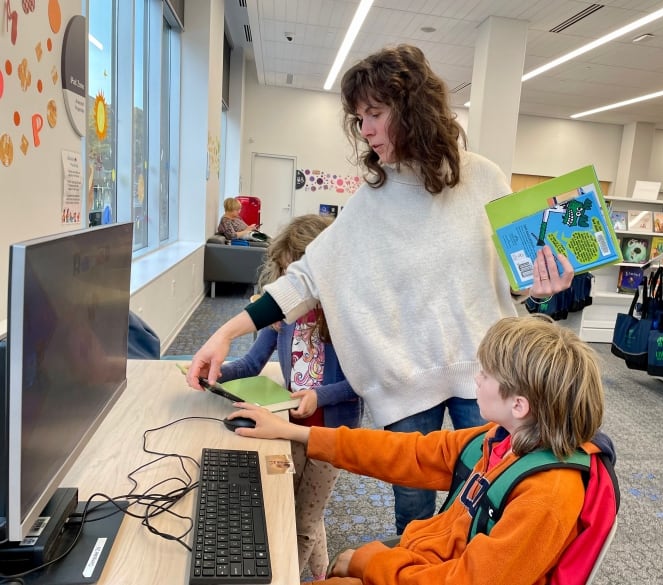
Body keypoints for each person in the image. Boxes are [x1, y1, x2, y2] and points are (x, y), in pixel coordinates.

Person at [187, 44, 574, 533]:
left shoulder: (484, 178)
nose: (365, 130)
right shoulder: (373, 200)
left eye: (375, 113)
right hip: (407, 383)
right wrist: (226, 332)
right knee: (412, 513)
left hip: (485, 375)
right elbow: (307, 278)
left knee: (477, 504)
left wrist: (542, 288)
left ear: (413, 110)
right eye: (359, 117)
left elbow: (512, 283)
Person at [223, 314, 606, 584]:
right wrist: (296, 433)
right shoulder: (499, 440)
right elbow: (404, 452)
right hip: (424, 560)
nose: (476, 377)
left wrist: (371, 563)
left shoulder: (548, 495)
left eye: (487, 373)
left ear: (519, 405)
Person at [218, 214, 363, 580]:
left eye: (295, 275)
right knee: (300, 509)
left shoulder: (344, 319)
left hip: (332, 433)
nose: (288, 286)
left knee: (302, 522)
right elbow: (250, 363)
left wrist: (319, 396)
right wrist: (215, 372)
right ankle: (322, 576)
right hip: (290, 424)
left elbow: (360, 383)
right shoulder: (283, 318)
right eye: (284, 275)